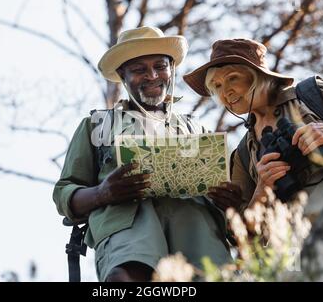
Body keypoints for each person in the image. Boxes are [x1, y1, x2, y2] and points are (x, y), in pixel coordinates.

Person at [53, 26, 237, 282]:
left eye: (160, 66)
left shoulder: (198, 130)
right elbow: (64, 194)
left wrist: (230, 202)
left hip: (198, 237)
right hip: (128, 233)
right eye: (139, 69)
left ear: (171, 69)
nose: (152, 75)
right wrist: (102, 193)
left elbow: (238, 200)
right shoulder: (96, 126)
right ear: (123, 75)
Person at [183, 38, 323, 220]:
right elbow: (242, 232)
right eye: (217, 85)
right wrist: (262, 189)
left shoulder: (312, 95)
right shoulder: (243, 153)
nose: (225, 92)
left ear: (257, 75)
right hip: (300, 242)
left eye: (232, 78)